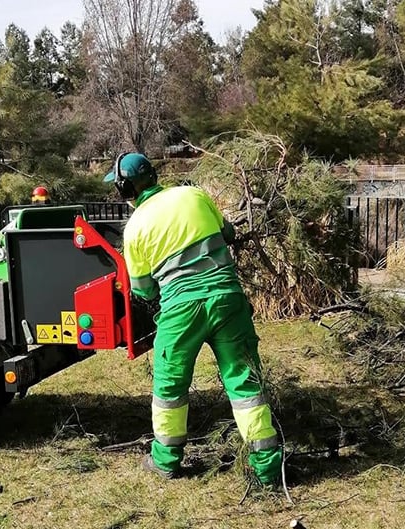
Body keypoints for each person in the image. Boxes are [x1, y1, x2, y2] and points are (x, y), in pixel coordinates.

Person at [104, 152, 283, 487]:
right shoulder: (194, 194)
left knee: (170, 385)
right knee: (244, 381)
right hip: (227, 299)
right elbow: (227, 233)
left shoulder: (135, 228)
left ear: (124, 188)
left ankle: (166, 461)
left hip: (180, 310)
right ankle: (267, 466)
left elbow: (143, 290)